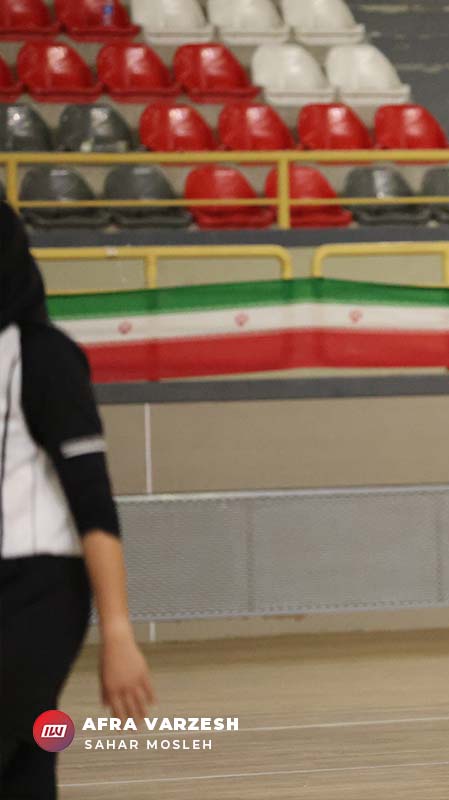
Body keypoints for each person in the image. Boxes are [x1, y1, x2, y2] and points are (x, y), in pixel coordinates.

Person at [0, 201, 155, 799]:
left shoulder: (42, 357)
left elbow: (93, 503)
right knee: (27, 767)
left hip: (33, 589)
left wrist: (117, 632)